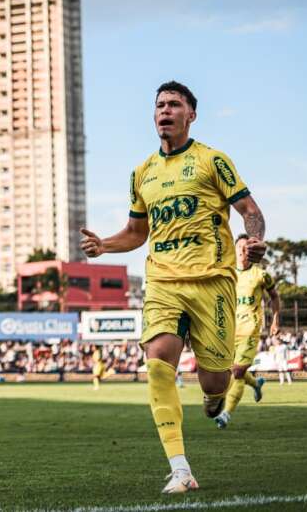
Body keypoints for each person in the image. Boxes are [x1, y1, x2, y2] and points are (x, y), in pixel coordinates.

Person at [79, 81, 266, 495]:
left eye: (174, 104)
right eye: (159, 105)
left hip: (213, 283)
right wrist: (104, 246)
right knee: (158, 361)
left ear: (191, 115)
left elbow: (250, 211)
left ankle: (214, 400)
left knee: (215, 383)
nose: (165, 110)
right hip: (162, 280)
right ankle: (180, 468)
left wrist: (252, 242)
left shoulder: (213, 161)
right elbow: (135, 232)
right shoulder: (142, 172)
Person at [215, 234, 279, 428]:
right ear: (234, 250)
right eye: (239, 247)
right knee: (231, 371)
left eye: (246, 247)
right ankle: (256, 383)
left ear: (251, 251)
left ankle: (226, 414)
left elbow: (275, 297)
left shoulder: (261, 274)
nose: (242, 251)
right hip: (229, 331)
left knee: (237, 371)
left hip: (250, 329)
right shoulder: (228, 274)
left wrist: (275, 321)